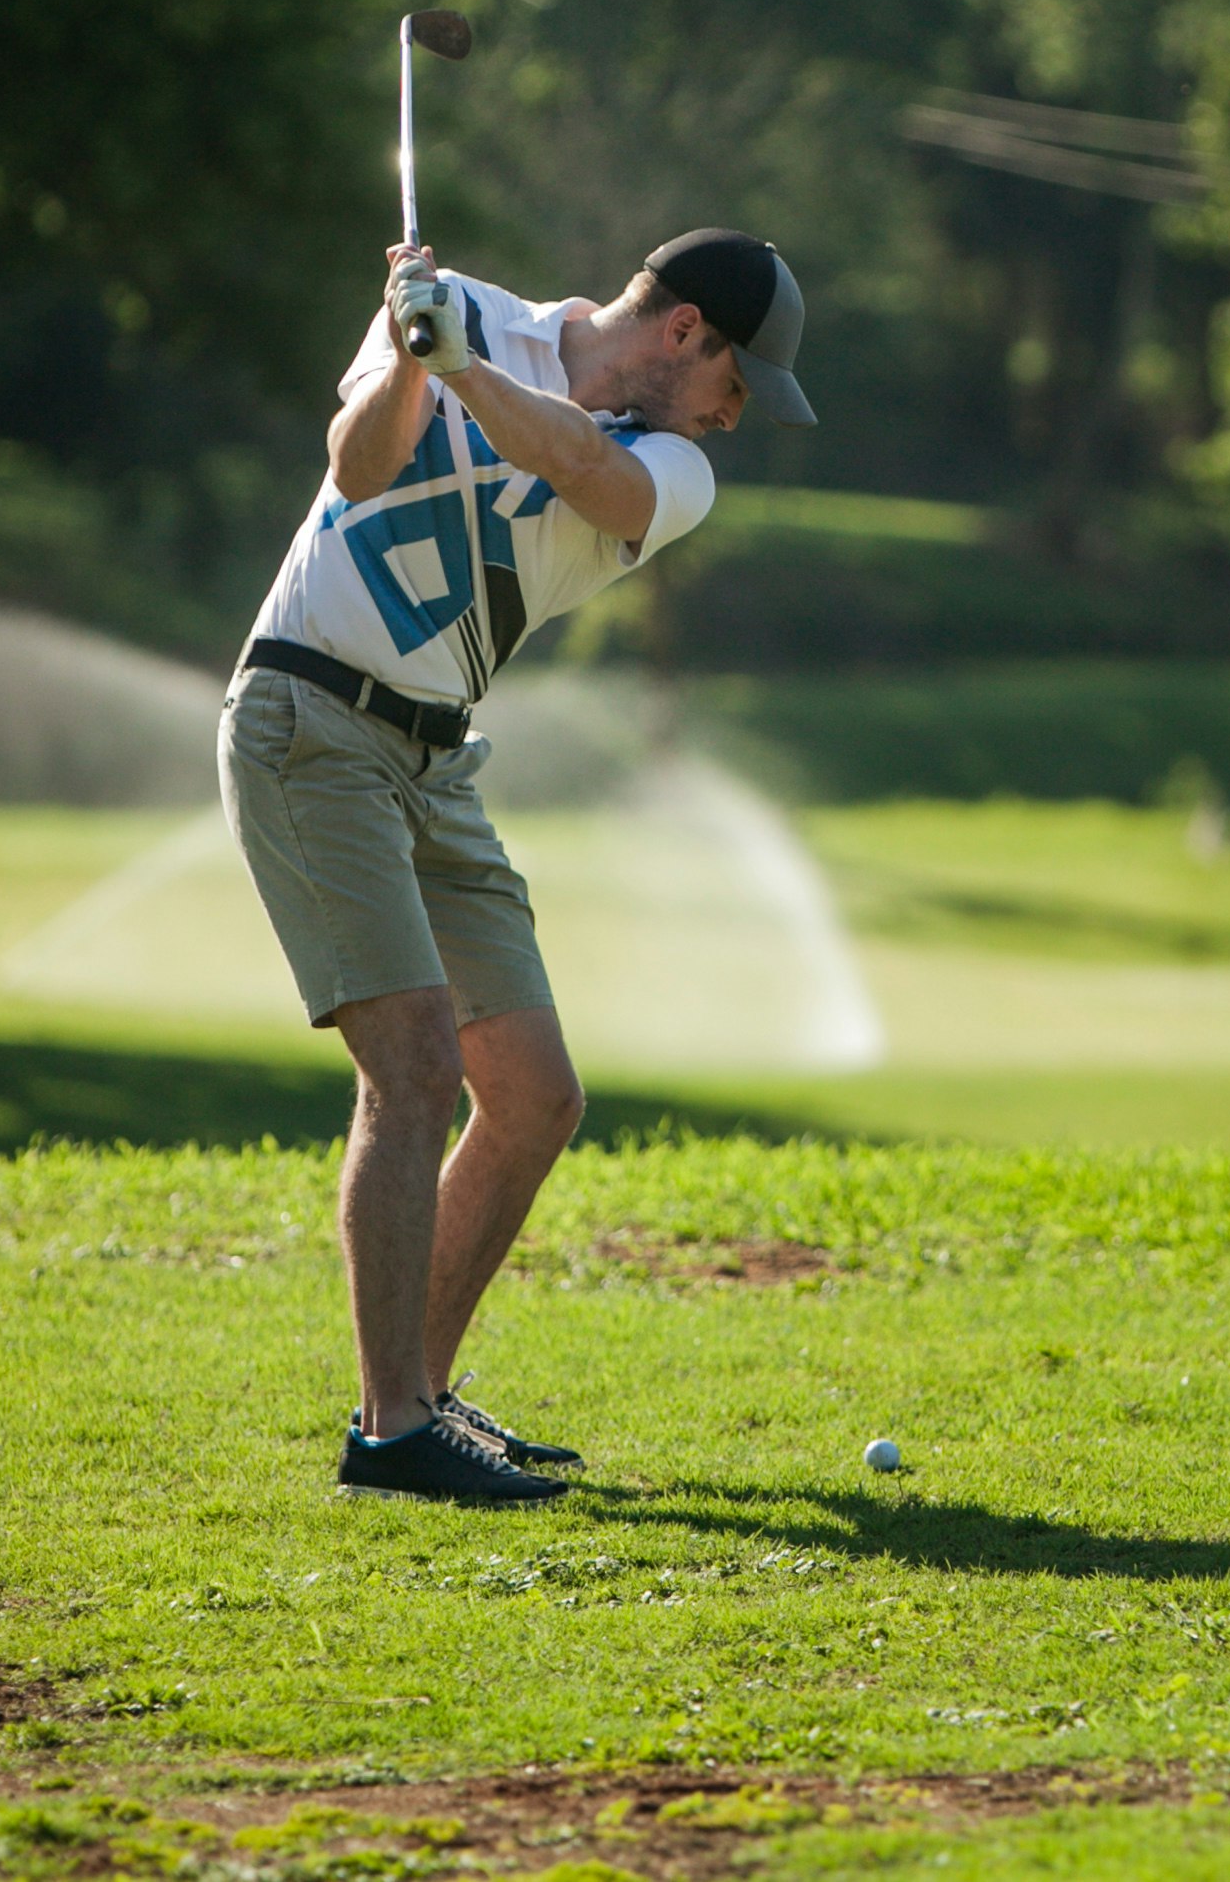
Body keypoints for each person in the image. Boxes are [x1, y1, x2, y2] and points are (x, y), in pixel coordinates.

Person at [221, 227, 814, 1505]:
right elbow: (356, 467)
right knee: (414, 1068)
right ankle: (391, 1435)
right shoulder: (459, 311)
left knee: (535, 1097)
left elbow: (584, 468)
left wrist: (461, 372)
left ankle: (417, 1400)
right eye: (735, 382)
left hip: (434, 760)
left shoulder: (675, 469)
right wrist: (410, 358)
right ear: (683, 330)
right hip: (309, 718)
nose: (732, 415)